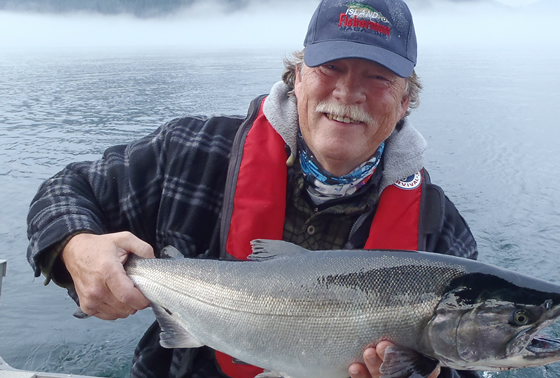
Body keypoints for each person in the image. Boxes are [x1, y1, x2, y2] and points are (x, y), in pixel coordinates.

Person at [26, 0, 479, 377]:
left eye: (377, 76)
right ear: (297, 76)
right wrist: (75, 247)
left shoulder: (440, 234)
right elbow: (66, 188)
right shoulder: (191, 152)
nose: (347, 92)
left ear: (404, 101)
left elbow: (471, 361)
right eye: (331, 67)